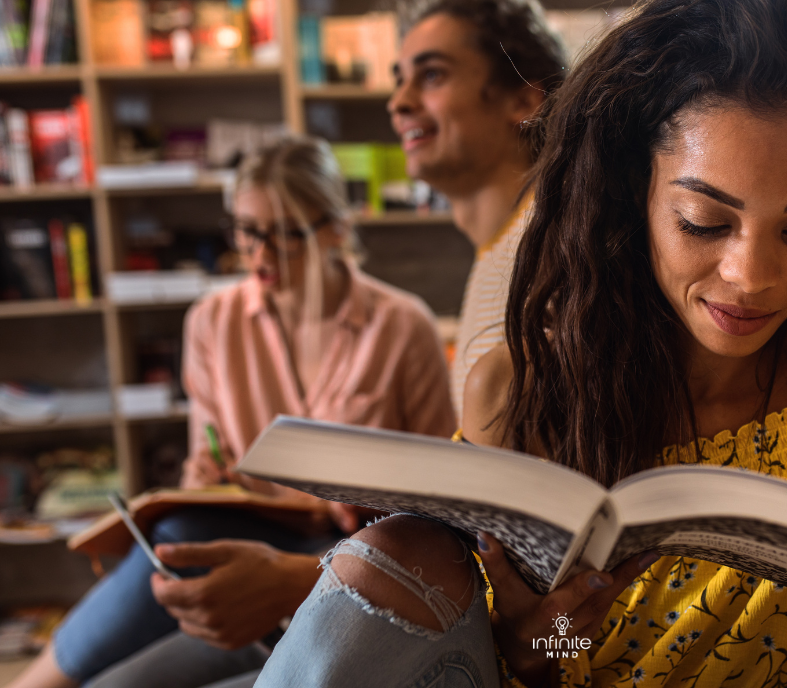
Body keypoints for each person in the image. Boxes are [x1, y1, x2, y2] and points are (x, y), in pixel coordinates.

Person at [253, 1, 787, 687]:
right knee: (386, 560)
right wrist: (542, 650)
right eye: (704, 221)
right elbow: (530, 657)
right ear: (634, 197)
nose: (747, 276)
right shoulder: (526, 390)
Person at [11, 138, 456, 688]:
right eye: (246, 230)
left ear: (337, 227)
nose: (260, 254)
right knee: (177, 534)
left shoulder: (401, 325)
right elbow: (208, 458)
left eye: (286, 233)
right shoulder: (213, 321)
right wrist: (197, 483)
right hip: (243, 533)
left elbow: (444, 500)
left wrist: (375, 500)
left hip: (350, 553)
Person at [388, 0, 566, 419]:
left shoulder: (562, 245)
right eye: (400, 81)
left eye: (432, 75)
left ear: (523, 100)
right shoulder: (504, 242)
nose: (398, 103)